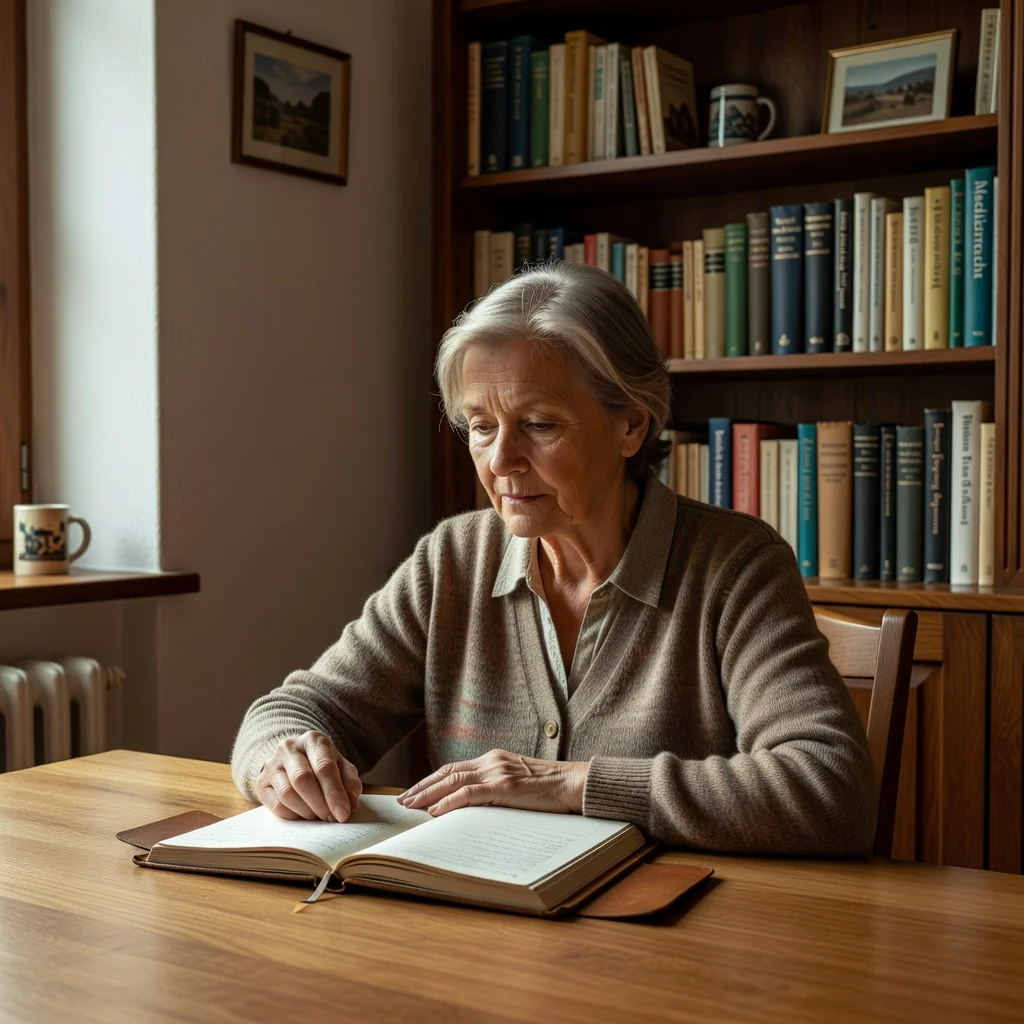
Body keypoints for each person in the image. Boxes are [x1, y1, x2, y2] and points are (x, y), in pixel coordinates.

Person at [231, 261, 876, 855]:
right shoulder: (453, 561)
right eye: (481, 426)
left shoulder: (735, 566)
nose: (501, 462)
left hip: (667, 947)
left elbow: (829, 789)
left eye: (540, 424)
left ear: (632, 425)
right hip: (475, 936)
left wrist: (571, 784)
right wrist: (283, 759)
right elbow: (291, 711)